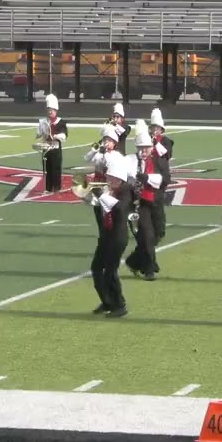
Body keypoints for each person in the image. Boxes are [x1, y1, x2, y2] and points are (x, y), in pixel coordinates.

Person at [89, 153, 133, 318]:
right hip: (105, 236)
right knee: (96, 268)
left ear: (119, 178)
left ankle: (119, 305)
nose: (108, 180)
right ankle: (107, 301)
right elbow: (99, 209)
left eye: (111, 177)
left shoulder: (125, 191)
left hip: (117, 237)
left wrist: (101, 195)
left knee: (110, 271)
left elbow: (120, 209)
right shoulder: (110, 190)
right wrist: (91, 197)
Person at [125, 121, 169, 281]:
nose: (144, 151)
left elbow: (166, 179)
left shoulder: (160, 161)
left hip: (155, 203)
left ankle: (133, 261)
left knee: (159, 233)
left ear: (151, 148)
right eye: (140, 148)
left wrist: (147, 178)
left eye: (146, 148)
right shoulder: (130, 161)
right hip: (139, 204)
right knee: (147, 236)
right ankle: (149, 269)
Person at [149, 107, 174, 241]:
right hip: (149, 175)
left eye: (157, 128)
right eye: (153, 127)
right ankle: (150, 228)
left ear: (161, 129)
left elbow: (167, 154)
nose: (154, 130)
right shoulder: (146, 139)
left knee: (157, 204)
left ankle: (160, 230)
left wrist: (156, 143)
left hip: (161, 176)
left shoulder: (166, 141)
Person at [37, 93, 68, 194]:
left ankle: (57, 187)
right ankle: (48, 188)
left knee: (56, 168)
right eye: (48, 110)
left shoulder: (60, 122)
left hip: (55, 147)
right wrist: (41, 129)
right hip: (46, 147)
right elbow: (38, 134)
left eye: (52, 110)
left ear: (56, 110)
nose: (50, 112)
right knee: (48, 168)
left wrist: (55, 136)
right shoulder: (43, 121)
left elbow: (64, 136)